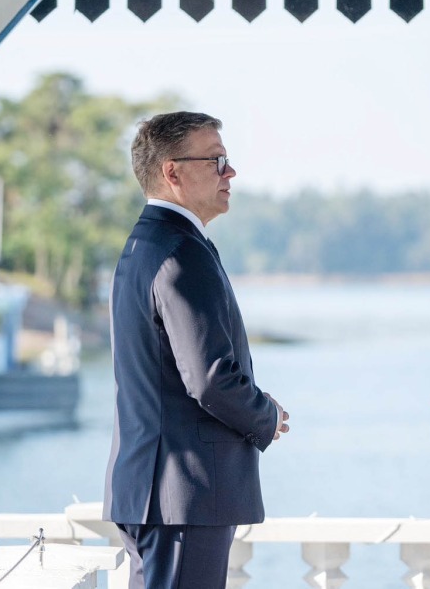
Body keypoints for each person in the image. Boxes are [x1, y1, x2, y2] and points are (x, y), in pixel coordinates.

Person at [104, 111, 289, 589]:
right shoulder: (180, 251)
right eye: (217, 160)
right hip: (182, 492)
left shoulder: (145, 244)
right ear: (172, 171)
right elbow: (209, 377)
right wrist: (265, 415)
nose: (231, 172)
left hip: (155, 488)